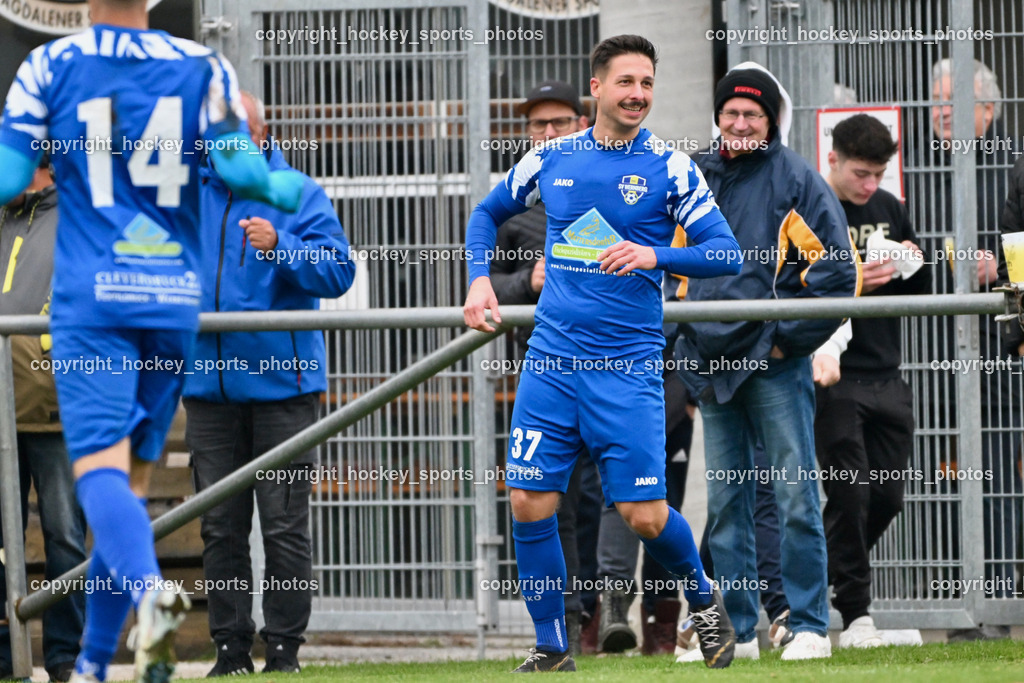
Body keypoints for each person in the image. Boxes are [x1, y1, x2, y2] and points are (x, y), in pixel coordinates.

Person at [0, 1, 305, 681]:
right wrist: (287, 188)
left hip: (95, 302)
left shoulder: (50, 63)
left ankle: (152, 594)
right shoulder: (203, 64)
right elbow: (248, 175)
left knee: (100, 476)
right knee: (129, 489)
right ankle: (90, 665)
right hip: (170, 300)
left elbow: (11, 178)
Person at [464, 34, 743, 672]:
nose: (638, 94)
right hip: (552, 360)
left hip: (628, 367)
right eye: (626, 82)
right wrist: (480, 278)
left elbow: (724, 253)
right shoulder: (552, 157)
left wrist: (656, 254)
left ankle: (702, 600)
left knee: (643, 515)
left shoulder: (671, 167)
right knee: (528, 498)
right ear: (596, 88)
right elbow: (485, 213)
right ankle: (550, 645)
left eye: (647, 83)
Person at [674, 63, 861, 662]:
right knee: (726, 503)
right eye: (731, 112)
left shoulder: (797, 180)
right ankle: (737, 628)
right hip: (708, 365)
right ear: (719, 117)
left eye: (752, 114)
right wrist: (685, 339)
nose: (740, 122)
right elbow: (665, 263)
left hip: (775, 366)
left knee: (796, 496)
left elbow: (838, 274)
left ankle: (808, 625)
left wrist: (784, 340)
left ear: (771, 120)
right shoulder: (693, 175)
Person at [183, 92, 355, 676]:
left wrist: (283, 248)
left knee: (283, 527)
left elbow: (339, 271)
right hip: (208, 393)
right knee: (219, 527)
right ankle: (230, 652)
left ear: (261, 135)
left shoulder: (297, 191)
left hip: (284, 391)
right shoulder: (185, 197)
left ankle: (284, 652)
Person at [486, 81, 611, 654]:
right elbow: (489, 285)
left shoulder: (611, 181)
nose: (547, 133)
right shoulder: (516, 205)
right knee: (544, 497)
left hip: (616, 370)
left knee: (616, 499)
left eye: (558, 121)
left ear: (582, 121)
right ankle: (560, 623)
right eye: (537, 125)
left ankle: (607, 609)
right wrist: (525, 283)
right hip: (542, 374)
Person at [812, 114, 931, 647]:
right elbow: (797, 281)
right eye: (861, 173)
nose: (869, 186)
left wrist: (911, 260)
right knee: (849, 494)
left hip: (887, 370)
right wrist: (855, 272)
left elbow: (924, 282)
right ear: (831, 158)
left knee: (886, 497)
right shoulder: (814, 206)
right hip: (835, 371)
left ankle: (820, 568)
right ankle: (856, 613)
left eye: (879, 174)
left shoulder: (890, 207)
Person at [921, 59, 1020, 641]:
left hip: (998, 351)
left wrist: (1001, 267)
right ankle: (951, 602)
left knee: (999, 477)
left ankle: (998, 604)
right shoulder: (918, 166)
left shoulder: (1013, 165)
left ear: (987, 109)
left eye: (952, 100)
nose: (939, 110)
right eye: (934, 99)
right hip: (929, 351)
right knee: (939, 477)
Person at [0, 158, 86, 683]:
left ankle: (62, 657)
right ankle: (8, 656)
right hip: (0, 414)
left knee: (64, 537)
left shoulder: (79, 221)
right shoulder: (4, 219)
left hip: (58, 412)